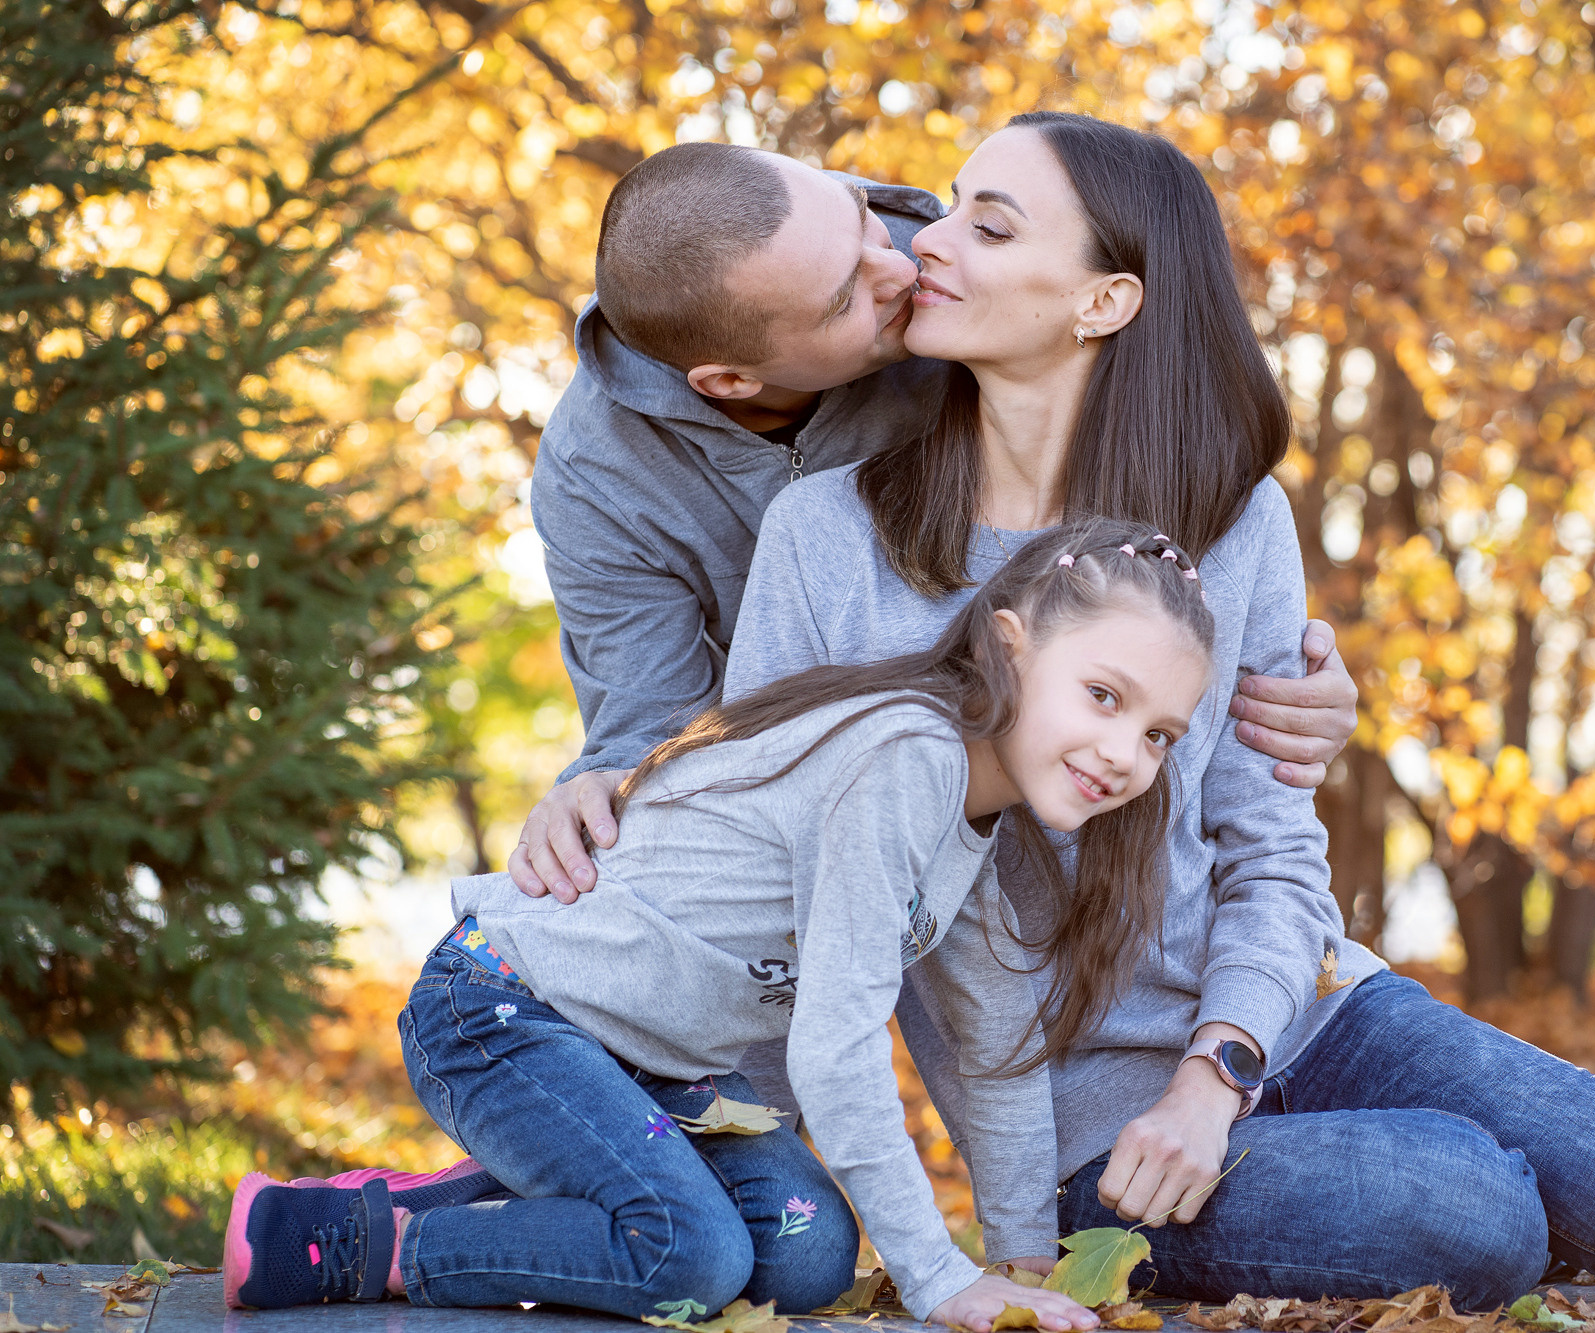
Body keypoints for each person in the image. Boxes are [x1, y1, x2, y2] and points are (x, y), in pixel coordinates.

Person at [724, 111, 1595, 1306]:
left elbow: (1270, 850)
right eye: (947, 210)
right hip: (1086, 1128)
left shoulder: (1226, 526)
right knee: (1468, 1207)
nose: (925, 243)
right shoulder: (828, 539)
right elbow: (765, 864)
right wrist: (739, 1154)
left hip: (1301, 1011)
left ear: (1105, 301)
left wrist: (1217, 1067)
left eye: (987, 226)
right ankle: (1560, 1225)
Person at [221, 518, 1217, 1329]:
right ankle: (358, 1235)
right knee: (687, 1254)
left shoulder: (971, 826)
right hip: (505, 1007)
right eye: (1102, 696)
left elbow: (995, 1044)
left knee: (808, 1252)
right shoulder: (905, 760)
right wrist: (939, 1278)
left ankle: (518, 1181)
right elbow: (834, 1052)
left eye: (1157, 733)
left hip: (650, 1067)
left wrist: (1023, 1262)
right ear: (1010, 643)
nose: (1125, 752)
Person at [503, 141, 1359, 907]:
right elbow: (670, 739)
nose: (906, 269)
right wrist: (605, 788)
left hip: (1131, 886)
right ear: (729, 382)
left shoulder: (950, 287)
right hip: (884, 843)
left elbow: (1130, 344)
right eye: (850, 297)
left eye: (865, 219)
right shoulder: (600, 477)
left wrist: (1252, 676)